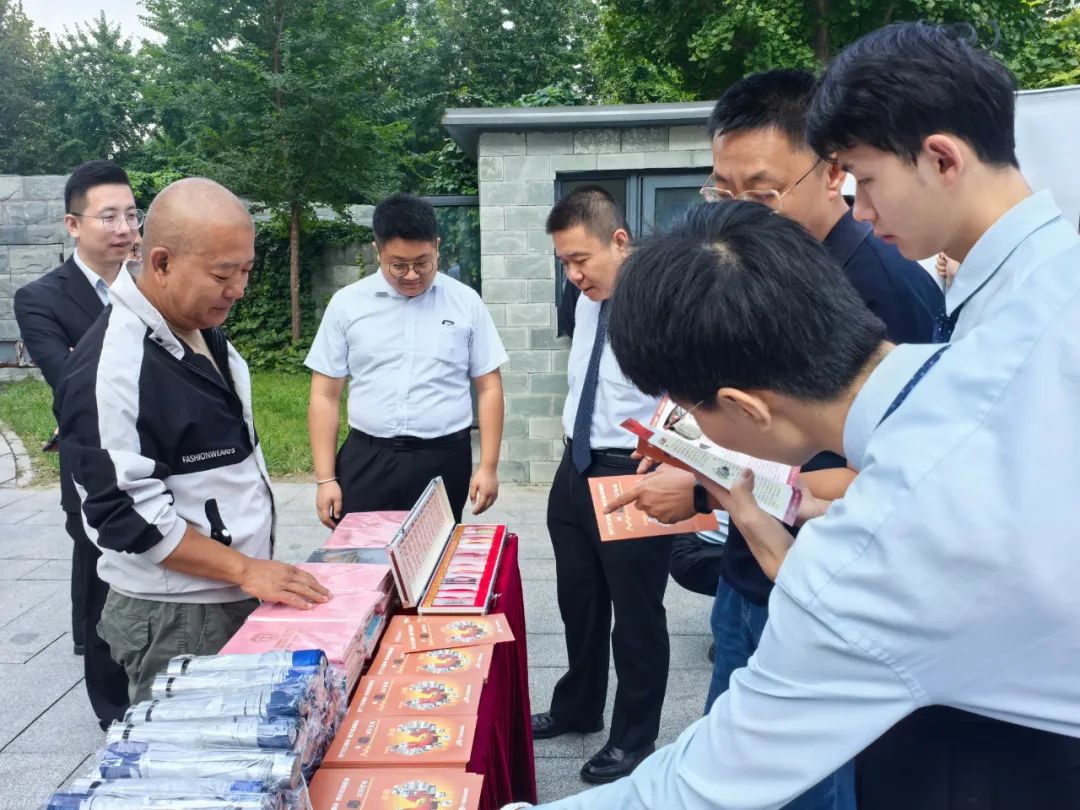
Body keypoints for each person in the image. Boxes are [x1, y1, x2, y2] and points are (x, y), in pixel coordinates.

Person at [521, 187, 1080, 809]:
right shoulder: (1025, 346)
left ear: (742, 408)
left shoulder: (867, 565)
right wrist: (764, 512)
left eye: (687, 417)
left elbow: (703, 783)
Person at [605, 69, 943, 810]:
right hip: (764, 568)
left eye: (760, 194)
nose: (734, 214)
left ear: (833, 171)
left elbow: (884, 476)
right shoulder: (753, 267)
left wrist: (709, 488)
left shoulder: (888, 292)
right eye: (720, 191)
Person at [805, 21, 1080, 809]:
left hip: (1007, 738)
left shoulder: (1039, 316)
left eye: (865, 180)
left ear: (942, 158)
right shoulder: (1010, 290)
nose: (860, 210)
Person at [57, 178, 330, 704]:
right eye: (223, 274)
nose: (239, 289)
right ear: (161, 262)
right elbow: (124, 514)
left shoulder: (197, 327)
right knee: (191, 751)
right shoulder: (115, 364)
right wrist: (245, 568)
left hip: (227, 590)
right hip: (178, 615)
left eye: (247, 270)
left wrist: (249, 570)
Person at [530, 186, 672, 785]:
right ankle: (578, 706)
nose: (573, 274)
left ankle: (633, 737)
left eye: (580, 259)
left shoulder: (666, 298)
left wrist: (674, 463)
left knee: (635, 615)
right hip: (576, 464)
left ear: (619, 241)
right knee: (579, 601)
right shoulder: (584, 296)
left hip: (631, 471)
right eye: (564, 261)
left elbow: (694, 390)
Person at [13, 159, 135, 728]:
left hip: (164, 459)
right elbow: (71, 383)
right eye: (108, 216)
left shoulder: (157, 281)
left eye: (132, 214)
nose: (124, 228)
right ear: (73, 224)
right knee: (100, 582)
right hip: (94, 470)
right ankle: (113, 711)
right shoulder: (40, 298)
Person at [306, 194, 506, 526]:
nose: (412, 275)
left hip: (443, 460)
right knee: (363, 554)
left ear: (437, 247)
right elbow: (325, 394)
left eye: (423, 263)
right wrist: (325, 478)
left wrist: (488, 467)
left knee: (435, 553)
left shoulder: (465, 302)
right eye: (398, 265)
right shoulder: (347, 304)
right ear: (377, 250)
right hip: (368, 458)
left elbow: (489, 387)